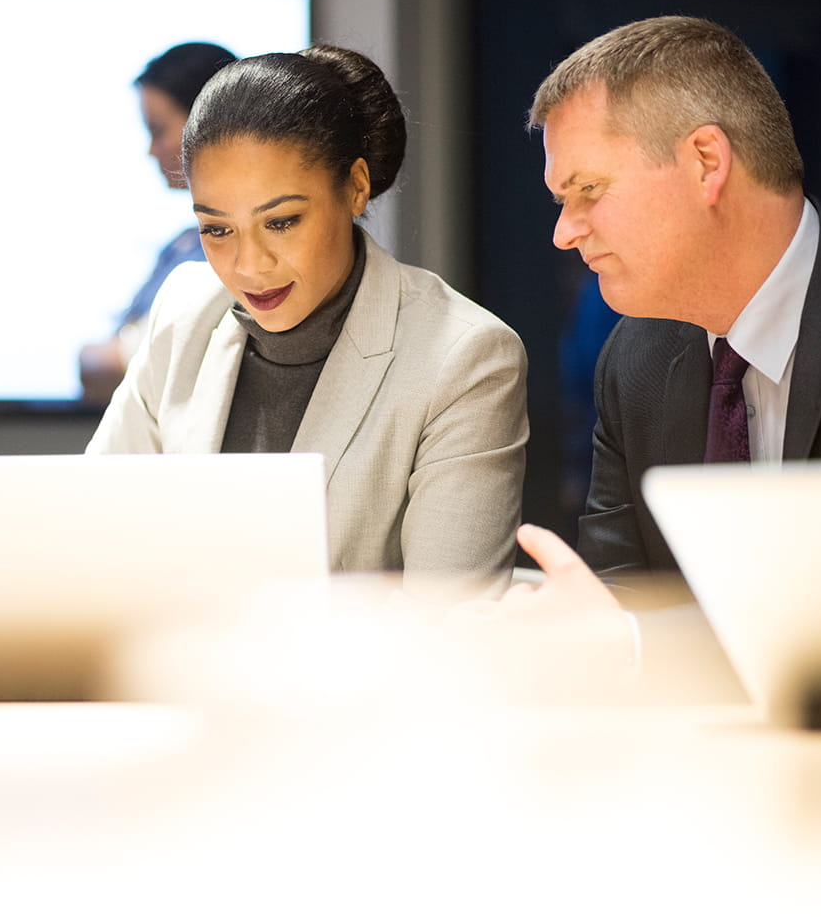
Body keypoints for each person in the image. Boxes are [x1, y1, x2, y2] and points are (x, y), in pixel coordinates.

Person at [88, 45, 529, 593]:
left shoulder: (463, 357)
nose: (250, 267)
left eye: (282, 222)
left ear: (356, 186)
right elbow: (97, 542)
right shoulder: (184, 310)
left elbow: (449, 623)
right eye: (217, 230)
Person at [525, 15, 821, 580]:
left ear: (706, 162)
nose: (563, 233)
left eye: (588, 189)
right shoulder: (631, 360)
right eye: (560, 202)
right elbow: (621, 603)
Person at [78, 42, 237, 405]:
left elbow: (113, 363)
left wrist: (104, 357)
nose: (152, 150)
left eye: (158, 129)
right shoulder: (183, 244)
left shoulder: (222, 256)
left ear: (209, 125)